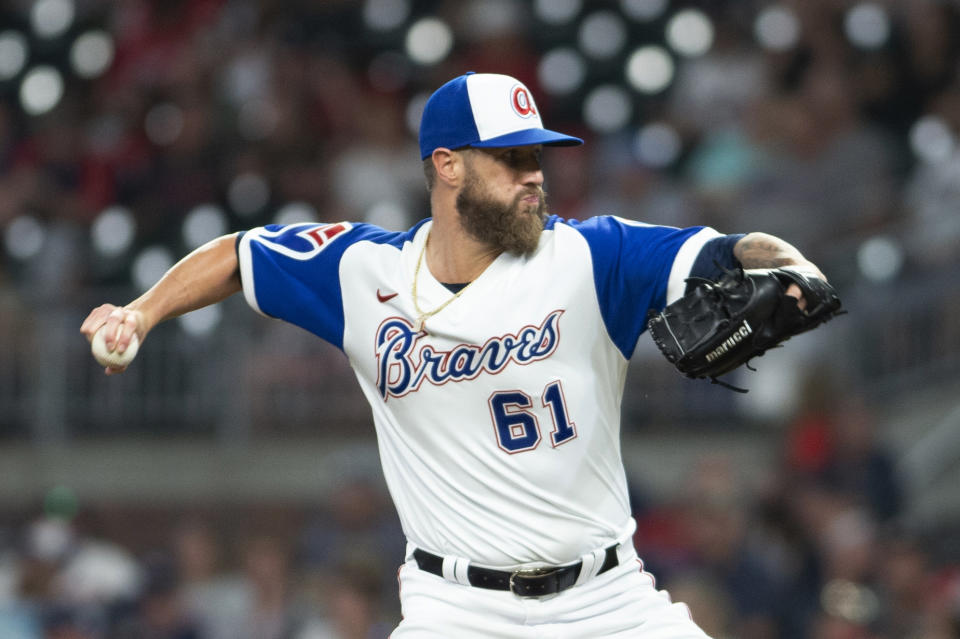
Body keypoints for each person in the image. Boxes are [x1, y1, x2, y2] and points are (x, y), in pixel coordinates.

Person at [82, 72, 828, 638]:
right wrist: (141, 312)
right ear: (447, 165)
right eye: (509, 158)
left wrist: (797, 267)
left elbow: (731, 251)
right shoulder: (363, 273)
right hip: (455, 608)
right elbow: (238, 255)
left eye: (536, 154)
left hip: (610, 600)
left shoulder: (590, 254)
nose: (534, 173)